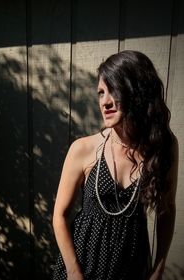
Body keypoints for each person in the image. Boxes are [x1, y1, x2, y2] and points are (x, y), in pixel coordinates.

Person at [52, 50, 178, 280]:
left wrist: (158, 270)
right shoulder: (83, 149)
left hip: (132, 267)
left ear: (137, 91)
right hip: (83, 265)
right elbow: (59, 215)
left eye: (114, 91)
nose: (105, 101)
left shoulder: (163, 147)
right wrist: (73, 272)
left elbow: (166, 211)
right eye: (101, 93)